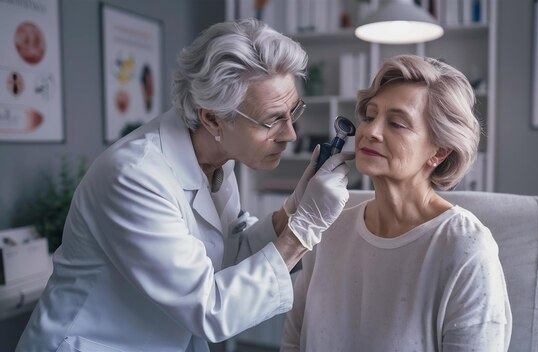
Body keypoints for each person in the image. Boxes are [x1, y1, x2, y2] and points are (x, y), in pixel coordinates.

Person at [17, 19, 352, 352]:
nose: (290, 135)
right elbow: (209, 308)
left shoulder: (216, 160)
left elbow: (227, 254)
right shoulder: (135, 177)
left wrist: (294, 208)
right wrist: (305, 228)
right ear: (212, 119)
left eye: (292, 113)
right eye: (271, 120)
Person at [281, 55, 512, 351]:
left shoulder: (466, 247)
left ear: (439, 152)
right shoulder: (328, 229)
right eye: (369, 115)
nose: (370, 132)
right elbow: (292, 343)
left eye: (396, 123)